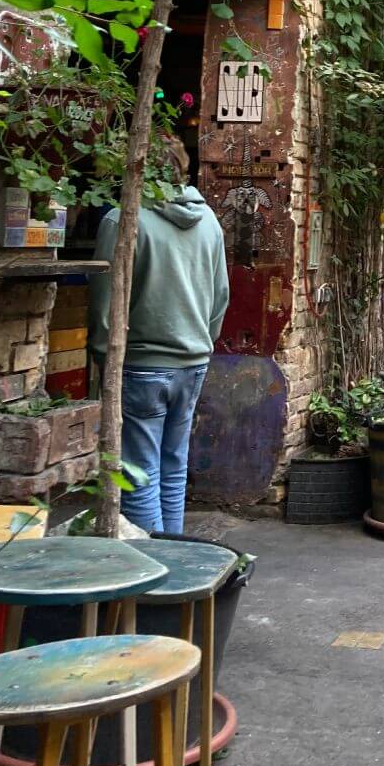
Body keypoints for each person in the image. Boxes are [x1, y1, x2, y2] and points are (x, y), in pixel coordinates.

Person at [88, 136, 229, 534]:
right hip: (194, 361)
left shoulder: (122, 221)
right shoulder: (210, 223)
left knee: (139, 474)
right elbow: (221, 297)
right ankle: (173, 572)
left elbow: (104, 306)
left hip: (140, 365)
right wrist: (203, 342)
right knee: (172, 467)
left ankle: (150, 582)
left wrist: (103, 359)